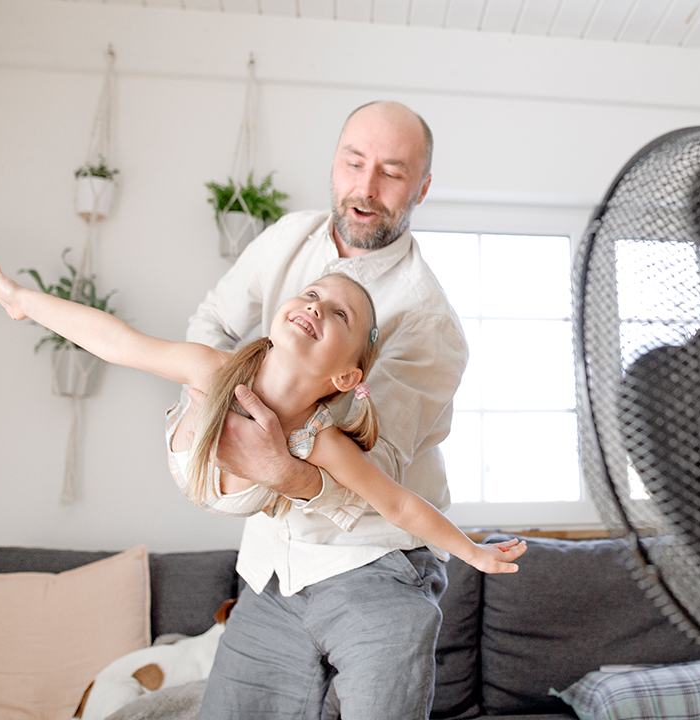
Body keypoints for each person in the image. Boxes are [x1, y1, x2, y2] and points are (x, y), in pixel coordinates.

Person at [182, 101, 480, 719]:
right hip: (271, 571)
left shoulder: (430, 323)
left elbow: (380, 475)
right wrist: (216, 409)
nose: (365, 189)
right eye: (354, 162)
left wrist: (281, 468)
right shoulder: (288, 237)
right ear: (335, 163)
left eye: (392, 173)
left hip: (375, 568)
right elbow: (210, 322)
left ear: (421, 188)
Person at [0, 263, 526, 577]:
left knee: (308, 471)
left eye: (340, 314)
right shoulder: (212, 369)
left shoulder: (320, 441)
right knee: (188, 373)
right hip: (189, 448)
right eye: (313, 294)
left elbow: (399, 503)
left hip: (243, 490)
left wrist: (472, 551)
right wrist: (24, 301)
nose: (317, 306)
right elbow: (115, 341)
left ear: (345, 376)